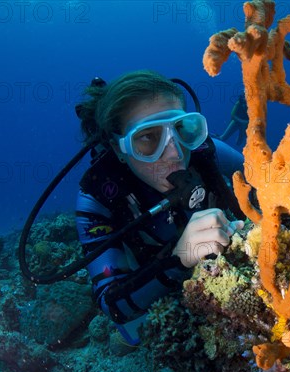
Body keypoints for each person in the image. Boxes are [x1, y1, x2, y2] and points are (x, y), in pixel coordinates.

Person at [75, 70, 245, 344]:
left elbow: (263, 177)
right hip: (155, 293)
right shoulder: (97, 195)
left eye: (180, 129)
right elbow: (111, 305)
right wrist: (179, 259)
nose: (175, 153)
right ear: (119, 148)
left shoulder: (205, 150)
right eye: (147, 138)